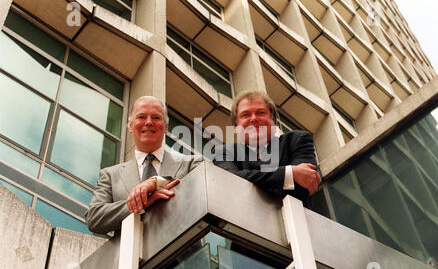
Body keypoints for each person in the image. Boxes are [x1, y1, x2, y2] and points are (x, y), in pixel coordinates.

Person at [86, 96, 201, 234]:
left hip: (185, 253)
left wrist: (156, 182)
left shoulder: (191, 163)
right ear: (130, 126)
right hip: (130, 254)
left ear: (165, 127)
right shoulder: (110, 175)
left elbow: (200, 185)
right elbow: (94, 218)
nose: (148, 122)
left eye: (156, 117)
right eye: (141, 117)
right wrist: (138, 204)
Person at [213, 91, 321, 208]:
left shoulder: (298, 140)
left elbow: (303, 188)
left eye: (260, 112)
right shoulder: (223, 152)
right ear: (236, 126)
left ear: (273, 120)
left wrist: (247, 176)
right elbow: (229, 180)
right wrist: (288, 173)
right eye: (245, 115)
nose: (253, 119)